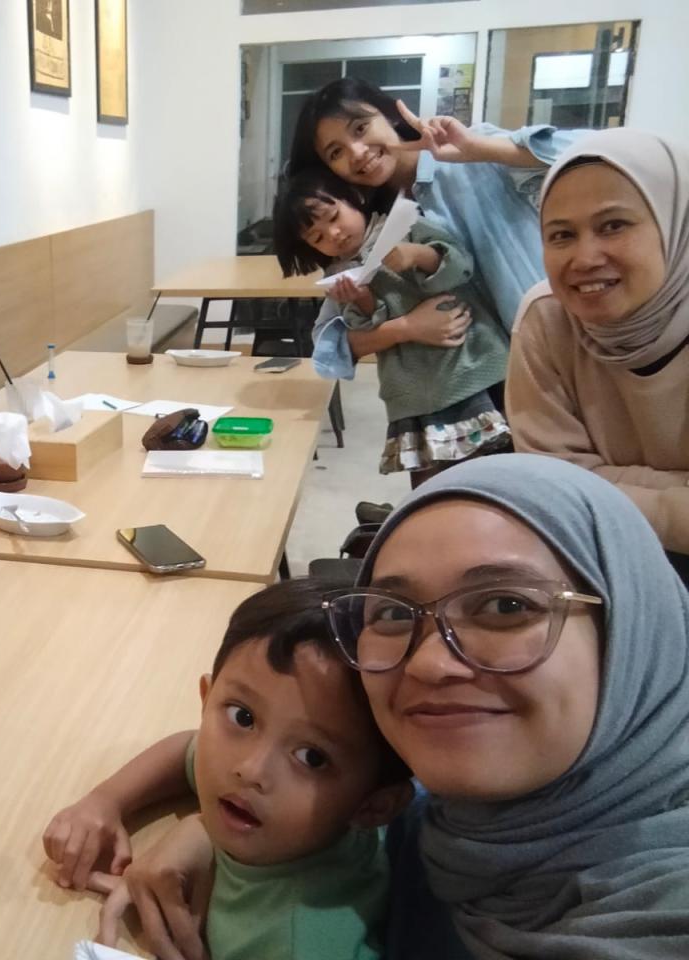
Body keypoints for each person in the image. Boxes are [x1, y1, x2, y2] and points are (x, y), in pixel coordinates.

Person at [64, 454, 689, 960]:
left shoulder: (655, 908)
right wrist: (205, 831)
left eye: (506, 606)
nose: (430, 664)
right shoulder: (450, 801)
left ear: (637, 631)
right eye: (392, 612)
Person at [43, 579, 414, 959]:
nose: (250, 769)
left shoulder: (295, 943)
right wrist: (105, 801)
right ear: (206, 699)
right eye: (243, 717)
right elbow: (186, 748)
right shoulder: (286, 818)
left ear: (374, 806)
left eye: (312, 758)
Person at [285, 77, 579, 379]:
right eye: (336, 152)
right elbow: (327, 345)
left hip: (566, 344)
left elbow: (595, 152)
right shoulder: (370, 230)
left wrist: (479, 148)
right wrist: (404, 328)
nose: (357, 152)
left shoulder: (470, 150)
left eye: (360, 128)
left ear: (389, 114)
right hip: (490, 387)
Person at [506, 129, 689, 580]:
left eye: (613, 225)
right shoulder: (546, 318)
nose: (585, 258)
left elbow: (571, 490)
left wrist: (598, 483)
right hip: (602, 557)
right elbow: (550, 484)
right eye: (561, 235)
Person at [274, 168, 509, 484]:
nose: (333, 234)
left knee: (496, 477)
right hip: (414, 390)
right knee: (432, 491)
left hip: (470, 366)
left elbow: (459, 266)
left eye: (334, 217)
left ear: (353, 198)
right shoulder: (341, 276)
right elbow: (364, 329)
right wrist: (362, 299)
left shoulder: (404, 227)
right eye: (318, 237)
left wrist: (418, 255)